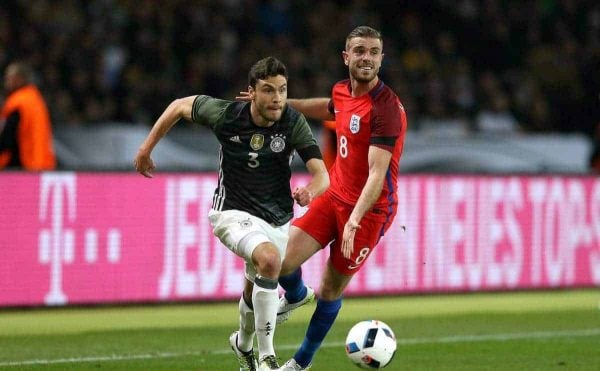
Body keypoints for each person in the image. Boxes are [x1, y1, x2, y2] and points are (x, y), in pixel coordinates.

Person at [133, 57, 329, 371]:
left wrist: (310, 191)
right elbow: (179, 106)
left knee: (256, 288)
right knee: (269, 261)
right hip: (231, 212)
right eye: (268, 90)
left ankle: (243, 344)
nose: (276, 97)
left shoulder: (292, 121)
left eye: (281, 90)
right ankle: (267, 358)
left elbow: (322, 175)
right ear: (251, 92)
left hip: (277, 219)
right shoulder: (227, 115)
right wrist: (146, 148)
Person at [275, 26, 408, 370]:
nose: (367, 57)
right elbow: (329, 107)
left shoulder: (386, 109)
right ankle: (295, 295)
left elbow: (377, 175)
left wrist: (353, 220)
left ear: (382, 58)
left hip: (370, 210)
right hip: (335, 196)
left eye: (374, 51)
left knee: (330, 289)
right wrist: (283, 106)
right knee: (280, 261)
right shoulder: (342, 90)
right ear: (346, 57)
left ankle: (300, 363)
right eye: (360, 50)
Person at [0, 61, 56, 170]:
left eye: (9, 78)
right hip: (40, 162)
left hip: (23, 164)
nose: (6, 82)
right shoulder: (36, 99)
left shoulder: (18, 103)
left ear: (19, 79)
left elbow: (8, 138)